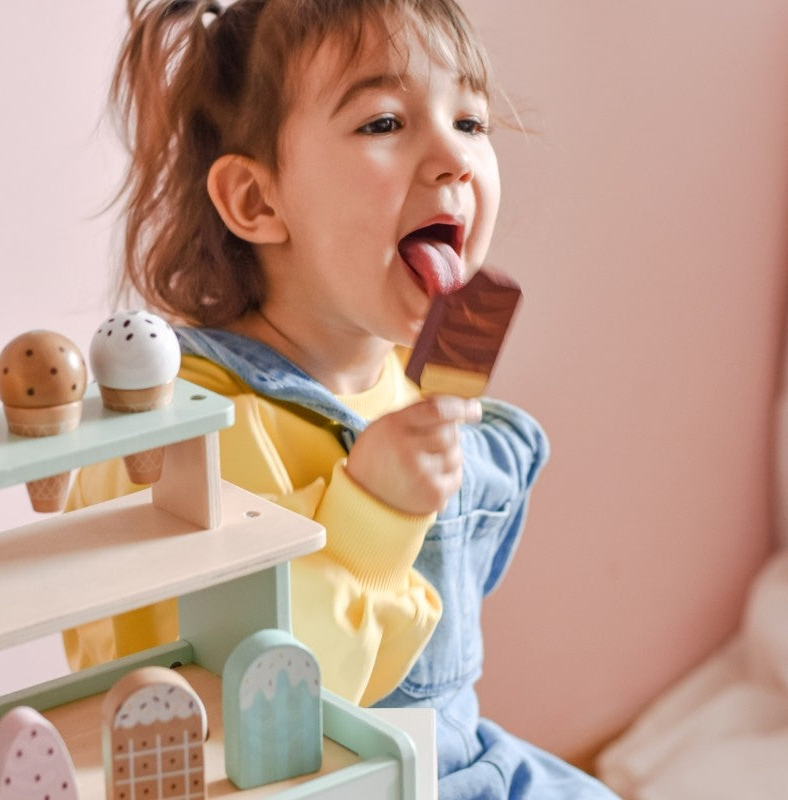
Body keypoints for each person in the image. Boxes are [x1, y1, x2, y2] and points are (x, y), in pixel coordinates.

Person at [64, 0, 619, 797]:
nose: (455, 159)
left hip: (457, 764)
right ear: (258, 202)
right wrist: (371, 516)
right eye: (384, 123)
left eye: (470, 119)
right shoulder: (182, 433)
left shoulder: (410, 385)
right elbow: (222, 718)